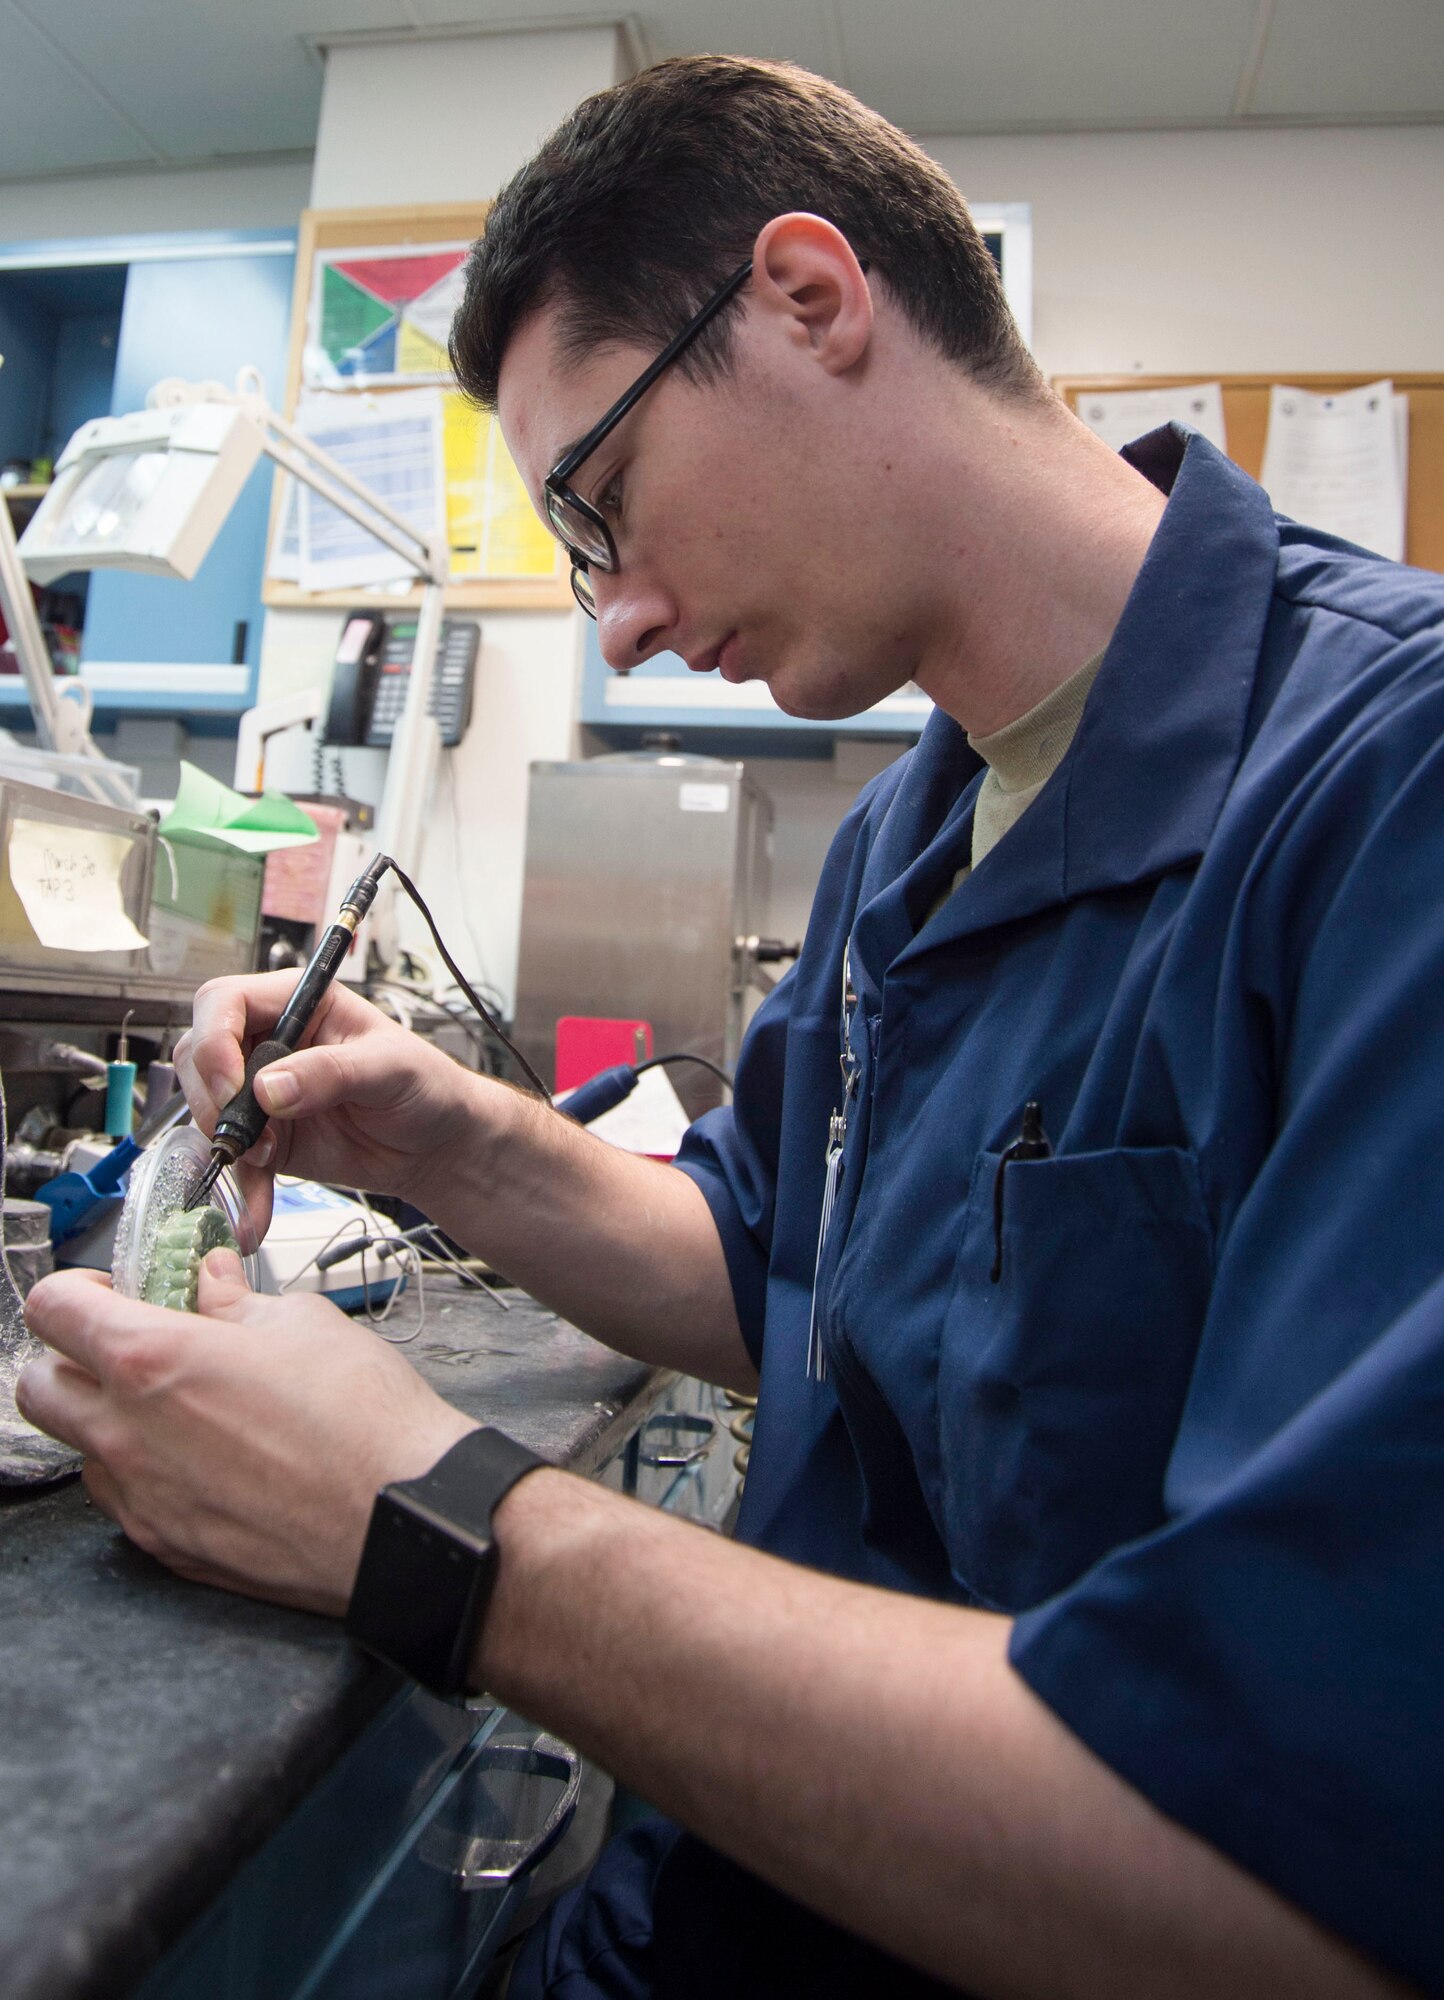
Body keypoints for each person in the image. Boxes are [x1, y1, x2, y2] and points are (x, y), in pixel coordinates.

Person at [16, 53, 1444, 2000]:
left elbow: (1294, 1869)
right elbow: (772, 1257)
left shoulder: (1380, 791)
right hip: (738, 1890)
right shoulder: (900, 842)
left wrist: (434, 1523)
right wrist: (445, 1132)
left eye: (598, 510)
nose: (605, 624)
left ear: (806, 296)